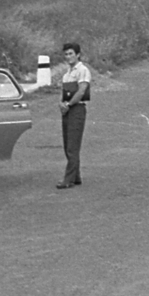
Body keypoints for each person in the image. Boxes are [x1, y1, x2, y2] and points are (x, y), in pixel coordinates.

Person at [56, 41, 92, 189]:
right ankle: (75, 176)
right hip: (68, 110)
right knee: (67, 144)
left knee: (72, 146)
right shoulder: (67, 74)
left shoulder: (82, 70)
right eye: (66, 54)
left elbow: (81, 91)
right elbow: (63, 93)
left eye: (71, 53)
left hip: (77, 109)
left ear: (77, 54)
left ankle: (68, 179)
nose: (68, 56)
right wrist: (62, 104)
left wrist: (69, 104)